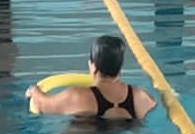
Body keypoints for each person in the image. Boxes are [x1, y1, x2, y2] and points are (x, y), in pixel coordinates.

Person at [25, 34, 156, 123]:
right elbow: (155, 105)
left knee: (77, 129)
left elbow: (42, 105)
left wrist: (34, 90)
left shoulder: (78, 96)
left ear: (93, 66)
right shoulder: (140, 96)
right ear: (120, 67)